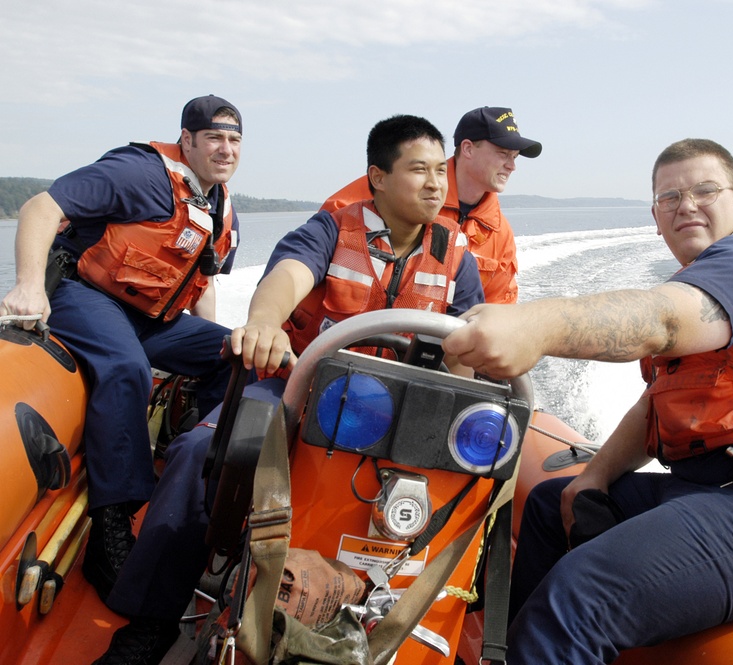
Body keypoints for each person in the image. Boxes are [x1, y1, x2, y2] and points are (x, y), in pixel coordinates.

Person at [442, 139, 733, 664]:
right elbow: (657, 406)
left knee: (580, 597)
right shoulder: (703, 286)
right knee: (545, 505)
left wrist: (535, 326)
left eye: (704, 191)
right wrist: (595, 477)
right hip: (707, 495)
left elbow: (663, 322)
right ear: (655, 217)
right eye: (669, 197)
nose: (686, 205)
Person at [92, 114, 485, 665]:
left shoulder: (456, 256)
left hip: (400, 413)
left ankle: (437, 618)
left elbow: (471, 343)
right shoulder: (329, 230)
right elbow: (286, 278)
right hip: (298, 389)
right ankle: (152, 620)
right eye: (418, 170)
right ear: (376, 176)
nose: (435, 184)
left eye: (440, 171)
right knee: (196, 452)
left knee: (480, 474)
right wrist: (265, 324)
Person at [0, 95, 243, 603]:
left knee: (235, 355)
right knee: (126, 367)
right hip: (84, 294)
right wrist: (28, 286)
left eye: (235, 140)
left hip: (150, 316)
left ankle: (191, 469)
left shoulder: (219, 206)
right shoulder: (140, 174)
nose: (226, 150)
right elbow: (40, 206)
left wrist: (209, 340)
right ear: (188, 140)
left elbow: (205, 280)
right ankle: (110, 527)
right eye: (215, 138)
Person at [325, 106, 541, 304]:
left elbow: (497, 312)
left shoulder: (500, 235)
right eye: (503, 154)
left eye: (514, 157)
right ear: (467, 149)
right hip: (351, 335)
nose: (512, 166)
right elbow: (333, 224)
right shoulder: (392, 185)